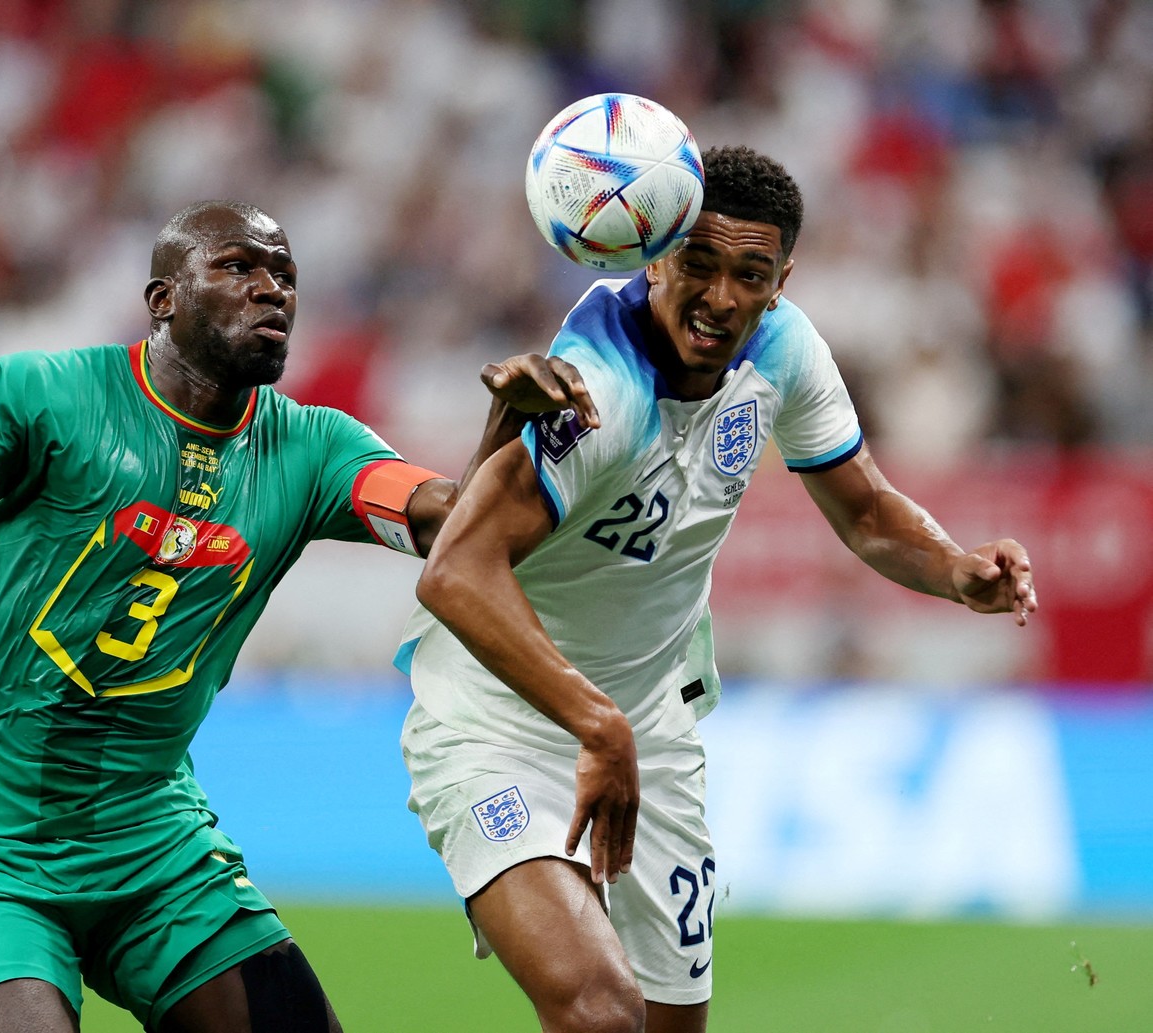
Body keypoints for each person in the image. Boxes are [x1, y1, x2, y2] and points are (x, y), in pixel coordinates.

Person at [0, 199, 598, 1033]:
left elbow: (452, 522)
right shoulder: (44, 395)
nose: (271, 289)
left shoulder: (313, 450)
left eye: (285, 275)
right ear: (162, 301)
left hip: (150, 842)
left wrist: (505, 432)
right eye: (238, 267)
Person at [397, 146, 1038, 1033]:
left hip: (646, 732)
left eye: (750, 273)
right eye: (698, 263)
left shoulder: (783, 348)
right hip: (497, 729)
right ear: (652, 253)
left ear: (781, 280)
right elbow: (454, 570)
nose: (722, 296)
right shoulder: (597, 396)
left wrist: (954, 567)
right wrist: (593, 720)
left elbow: (868, 513)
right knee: (599, 1012)